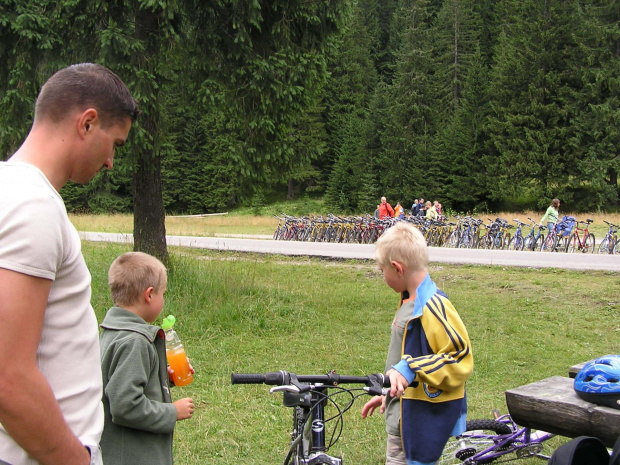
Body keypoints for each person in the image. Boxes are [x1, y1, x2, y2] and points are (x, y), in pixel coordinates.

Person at [0, 63, 139, 465]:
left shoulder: (9, 188)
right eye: (115, 143)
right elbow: (8, 378)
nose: (112, 161)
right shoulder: (33, 205)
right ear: (88, 123)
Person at [361, 222, 473, 465]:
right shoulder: (409, 300)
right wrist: (387, 391)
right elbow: (404, 357)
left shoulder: (433, 305)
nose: (382, 276)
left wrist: (409, 369)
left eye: (382, 271)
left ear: (397, 268)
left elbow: (458, 357)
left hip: (415, 419)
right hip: (401, 412)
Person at [100, 252, 195, 464]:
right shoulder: (135, 341)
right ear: (149, 295)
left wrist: (163, 378)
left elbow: (117, 379)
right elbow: (125, 405)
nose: (163, 298)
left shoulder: (114, 329)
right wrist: (172, 412)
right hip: (132, 455)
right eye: (163, 293)